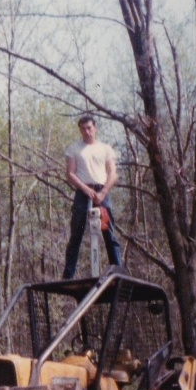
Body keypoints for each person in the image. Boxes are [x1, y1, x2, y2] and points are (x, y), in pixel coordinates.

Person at [62, 115, 122, 279]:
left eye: (89, 128)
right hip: (83, 194)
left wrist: (103, 193)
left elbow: (112, 174)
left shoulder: (105, 149)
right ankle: (68, 274)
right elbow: (70, 173)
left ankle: (118, 271)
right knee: (77, 233)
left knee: (107, 231)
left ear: (95, 128)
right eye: (83, 128)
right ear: (80, 130)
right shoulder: (74, 148)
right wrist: (84, 189)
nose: (87, 131)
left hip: (102, 193)